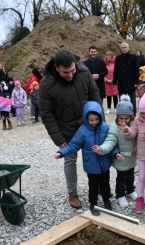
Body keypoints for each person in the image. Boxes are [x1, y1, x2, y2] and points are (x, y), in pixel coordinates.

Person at [39, 50, 101, 209]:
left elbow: (94, 95)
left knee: (94, 156)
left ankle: (97, 188)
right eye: (65, 72)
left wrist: (99, 122)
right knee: (70, 160)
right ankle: (72, 194)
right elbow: (47, 114)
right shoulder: (47, 85)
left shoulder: (84, 72)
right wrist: (59, 140)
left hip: (88, 125)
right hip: (66, 129)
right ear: (56, 67)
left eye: (72, 70)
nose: (70, 75)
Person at [54, 101, 115, 216]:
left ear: (100, 117)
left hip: (104, 164)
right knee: (92, 186)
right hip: (91, 165)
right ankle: (93, 203)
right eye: (91, 120)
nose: (94, 122)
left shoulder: (105, 128)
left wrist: (116, 154)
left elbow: (112, 142)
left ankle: (107, 200)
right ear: (86, 118)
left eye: (97, 119)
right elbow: (73, 146)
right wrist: (61, 153)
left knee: (105, 184)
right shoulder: (82, 131)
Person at [92, 95, 137, 208]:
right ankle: (120, 195)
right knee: (121, 178)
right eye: (121, 118)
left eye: (126, 118)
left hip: (132, 156)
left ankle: (130, 190)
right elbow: (110, 140)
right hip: (120, 157)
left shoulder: (134, 124)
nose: (123, 121)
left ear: (131, 117)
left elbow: (138, 137)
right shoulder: (114, 127)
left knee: (131, 175)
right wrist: (102, 148)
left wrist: (137, 145)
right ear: (117, 117)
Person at [121, 92, 145, 213]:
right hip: (141, 154)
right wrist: (127, 130)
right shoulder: (137, 120)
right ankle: (140, 198)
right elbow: (132, 134)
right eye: (143, 112)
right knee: (142, 176)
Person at [113, 42, 139, 115]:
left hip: (131, 82)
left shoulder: (134, 57)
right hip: (121, 82)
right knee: (121, 100)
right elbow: (116, 70)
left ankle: (133, 115)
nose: (124, 49)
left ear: (128, 48)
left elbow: (136, 70)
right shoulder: (118, 58)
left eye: (125, 47)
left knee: (132, 100)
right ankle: (121, 115)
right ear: (121, 49)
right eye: (122, 48)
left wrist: (136, 82)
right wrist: (115, 82)